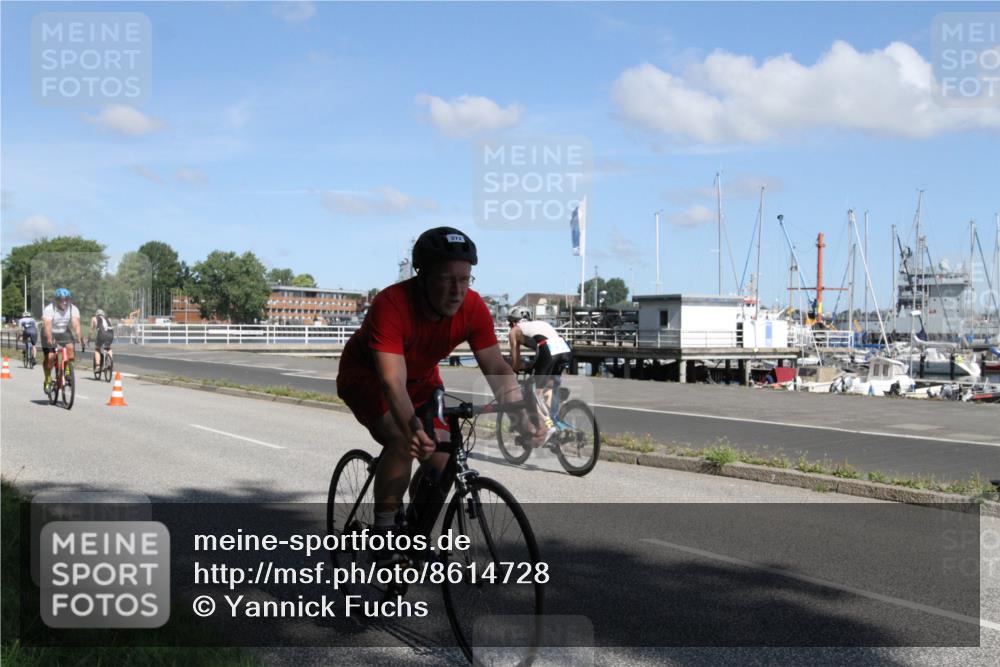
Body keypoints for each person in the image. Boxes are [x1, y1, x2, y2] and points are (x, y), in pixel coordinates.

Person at [336, 227, 543, 536]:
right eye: (447, 279)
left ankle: (413, 529)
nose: (457, 291)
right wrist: (413, 427)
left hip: (421, 380)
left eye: (464, 279)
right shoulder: (392, 304)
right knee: (404, 439)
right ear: (422, 276)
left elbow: (495, 366)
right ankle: (384, 533)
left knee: (443, 455)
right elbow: (392, 380)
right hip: (368, 379)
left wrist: (520, 413)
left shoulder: (472, 308)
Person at [506, 305, 573, 440]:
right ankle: (557, 420)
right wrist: (533, 365)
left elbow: (515, 361)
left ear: (513, 322)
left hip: (548, 350)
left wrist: (515, 367)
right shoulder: (538, 325)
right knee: (549, 387)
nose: (510, 326)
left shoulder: (514, 331)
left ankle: (548, 427)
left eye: (510, 323)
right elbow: (541, 351)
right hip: (564, 349)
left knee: (536, 394)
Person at [42, 288, 82, 392]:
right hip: (50, 332)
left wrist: (79, 336)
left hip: (63, 331)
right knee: (50, 357)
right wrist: (50, 338)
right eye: (61, 300)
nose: (64, 302)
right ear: (56, 300)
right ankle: (47, 379)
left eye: (66, 300)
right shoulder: (49, 309)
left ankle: (67, 369)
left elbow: (75, 323)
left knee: (71, 351)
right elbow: (47, 325)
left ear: (69, 300)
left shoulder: (73, 308)